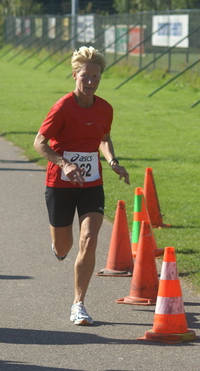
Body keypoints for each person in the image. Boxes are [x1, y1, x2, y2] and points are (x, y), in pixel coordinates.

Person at [33, 46, 130, 326]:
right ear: (75, 75)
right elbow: (39, 142)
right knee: (64, 246)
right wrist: (64, 164)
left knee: (89, 239)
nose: (90, 81)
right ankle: (59, 247)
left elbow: (104, 138)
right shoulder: (62, 107)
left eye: (96, 77)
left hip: (91, 183)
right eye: (85, 76)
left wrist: (112, 162)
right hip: (60, 183)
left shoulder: (104, 108)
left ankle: (78, 303)